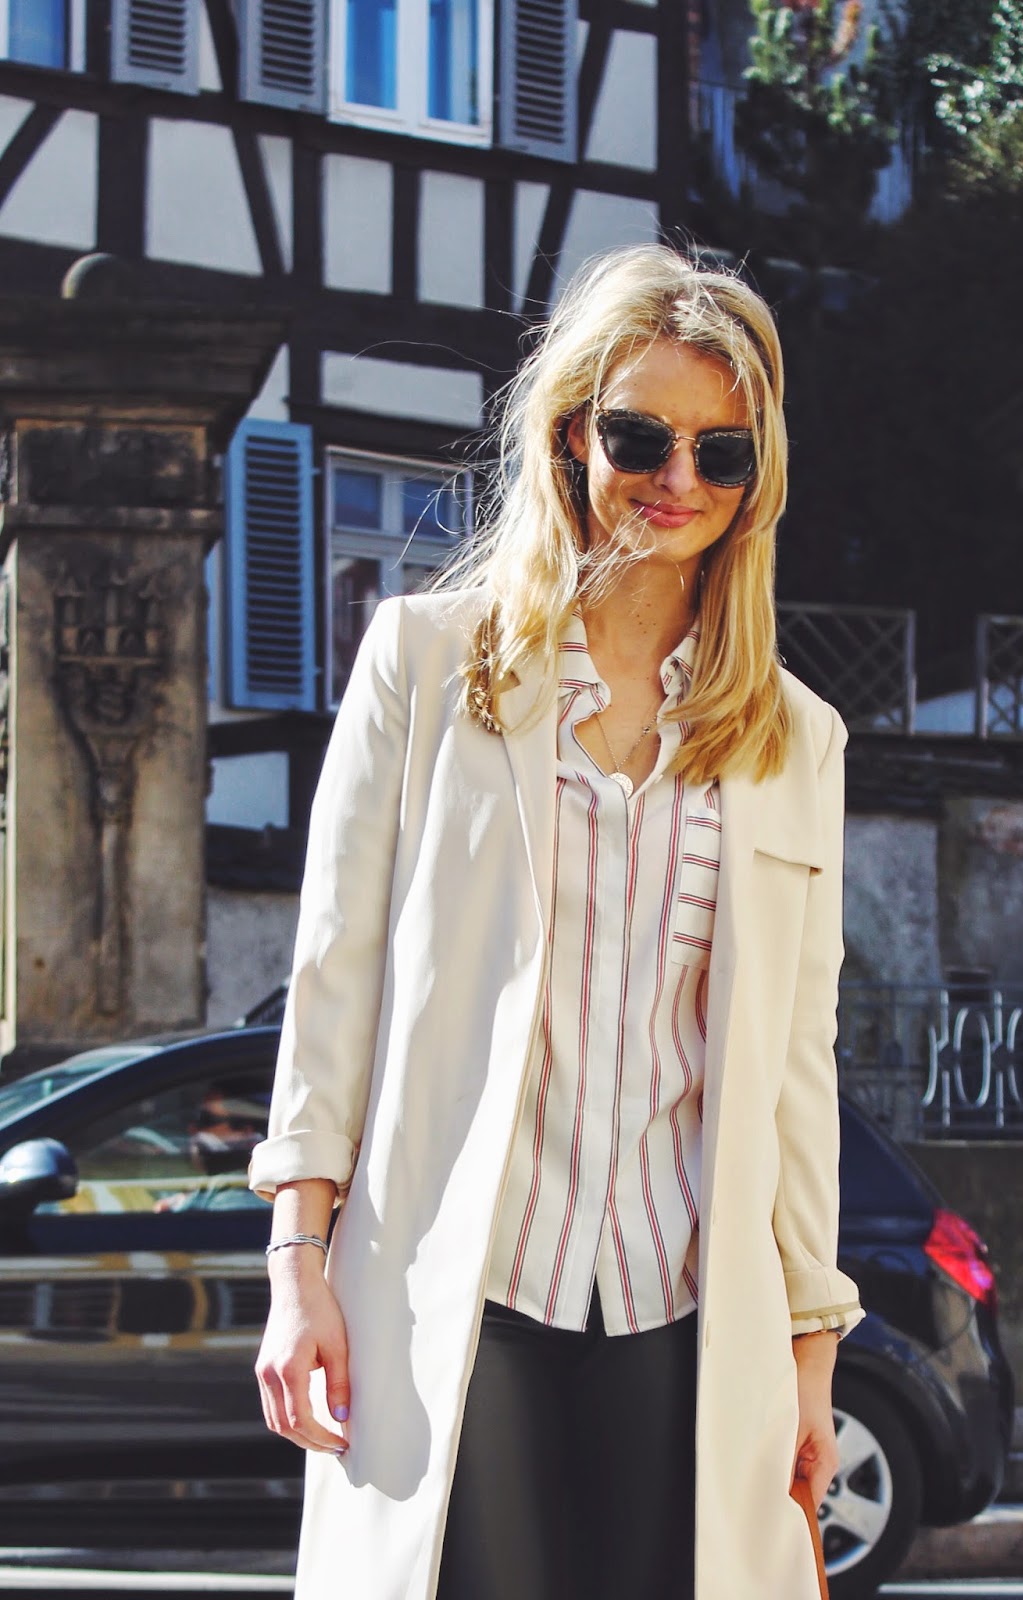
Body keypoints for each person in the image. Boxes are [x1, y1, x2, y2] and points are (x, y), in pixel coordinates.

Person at [248, 244, 864, 1600]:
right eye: (642, 436)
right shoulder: (425, 664)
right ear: (573, 432)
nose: (678, 479)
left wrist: (813, 1351)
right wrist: (299, 1264)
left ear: (756, 477)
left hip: (686, 1302)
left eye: (721, 453)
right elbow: (335, 977)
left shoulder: (795, 741)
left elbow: (794, 1073)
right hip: (461, 1285)